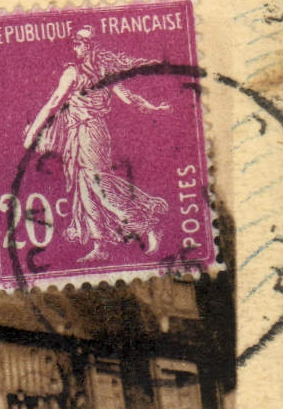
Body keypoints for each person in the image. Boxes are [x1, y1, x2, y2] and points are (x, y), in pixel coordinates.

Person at [21, 26, 171, 263]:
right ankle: (100, 244)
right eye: (75, 43)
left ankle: (146, 222)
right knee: (84, 190)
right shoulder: (76, 71)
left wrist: (32, 135)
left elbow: (126, 97)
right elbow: (54, 103)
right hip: (75, 134)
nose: (76, 47)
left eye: (80, 43)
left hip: (92, 132)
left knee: (98, 183)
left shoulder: (99, 70)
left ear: (91, 46)